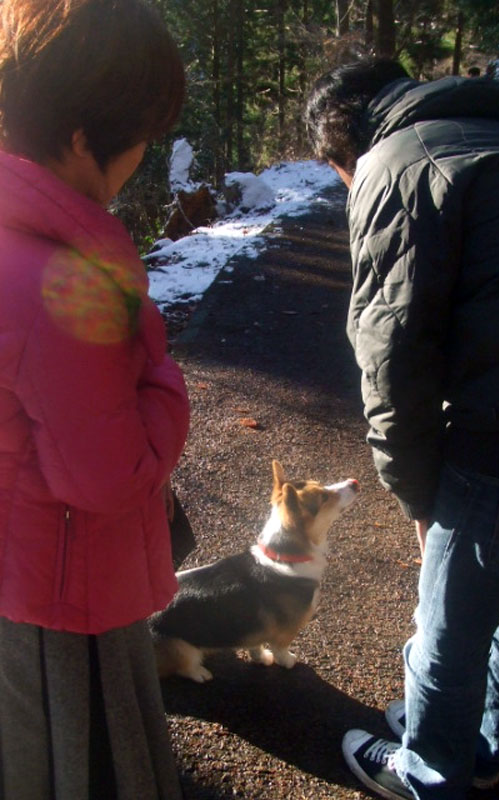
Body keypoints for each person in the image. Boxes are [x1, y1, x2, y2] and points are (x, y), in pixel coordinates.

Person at [305, 59, 499, 800]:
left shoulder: (396, 164)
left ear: (343, 150)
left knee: (446, 634)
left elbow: (392, 354)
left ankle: (431, 773)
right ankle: (486, 747)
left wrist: (419, 495)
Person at [0, 1, 190, 798]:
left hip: (15, 566)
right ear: (84, 139)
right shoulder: (61, 281)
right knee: (89, 763)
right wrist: (166, 384)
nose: (143, 154)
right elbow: (109, 476)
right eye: (142, 133)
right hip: (64, 592)